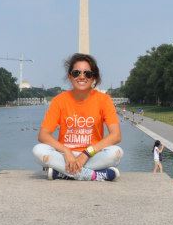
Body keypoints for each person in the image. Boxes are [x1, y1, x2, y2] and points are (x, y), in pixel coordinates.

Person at [32, 53, 122, 181]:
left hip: (92, 154)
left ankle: (62, 173)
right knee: (38, 150)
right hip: (65, 156)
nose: (82, 77)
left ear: (93, 77)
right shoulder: (59, 100)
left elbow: (116, 135)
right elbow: (43, 135)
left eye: (87, 74)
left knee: (116, 153)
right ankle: (94, 175)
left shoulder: (104, 100)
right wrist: (66, 151)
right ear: (70, 76)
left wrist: (86, 153)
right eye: (76, 73)